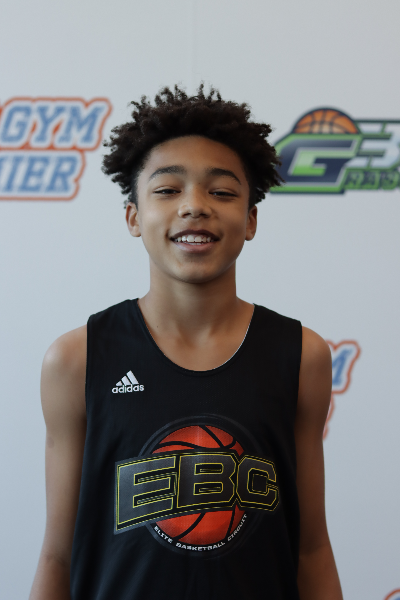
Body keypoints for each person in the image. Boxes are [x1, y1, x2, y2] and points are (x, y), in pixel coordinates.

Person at [30, 85, 343, 600]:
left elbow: (311, 549)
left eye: (221, 192)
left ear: (251, 219)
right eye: (167, 190)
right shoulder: (76, 359)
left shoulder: (301, 355)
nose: (194, 206)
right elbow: (57, 556)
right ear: (134, 216)